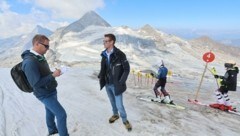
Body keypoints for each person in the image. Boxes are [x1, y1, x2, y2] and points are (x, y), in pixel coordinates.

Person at [21, 34, 69, 136]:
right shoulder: (29, 62)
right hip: (44, 94)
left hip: (50, 89)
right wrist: (52, 76)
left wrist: (53, 73)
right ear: (37, 44)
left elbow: (43, 72)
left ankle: (52, 131)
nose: (48, 49)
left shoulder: (39, 56)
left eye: (48, 46)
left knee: (50, 111)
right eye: (46, 46)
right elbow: (36, 83)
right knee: (61, 115)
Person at [98, 33, 132, 131]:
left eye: (106, 41)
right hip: (107, 84)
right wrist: (101, 75)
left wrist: (121, 81)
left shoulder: (120, 54)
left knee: (119, 104)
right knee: (112, 101)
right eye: (103, 41)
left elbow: (126, 69)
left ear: (112, 42)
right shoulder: (104, 54)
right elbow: (103, 68)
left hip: (117, 85)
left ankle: (125, 120)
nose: (104, 43)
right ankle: (115, 115)